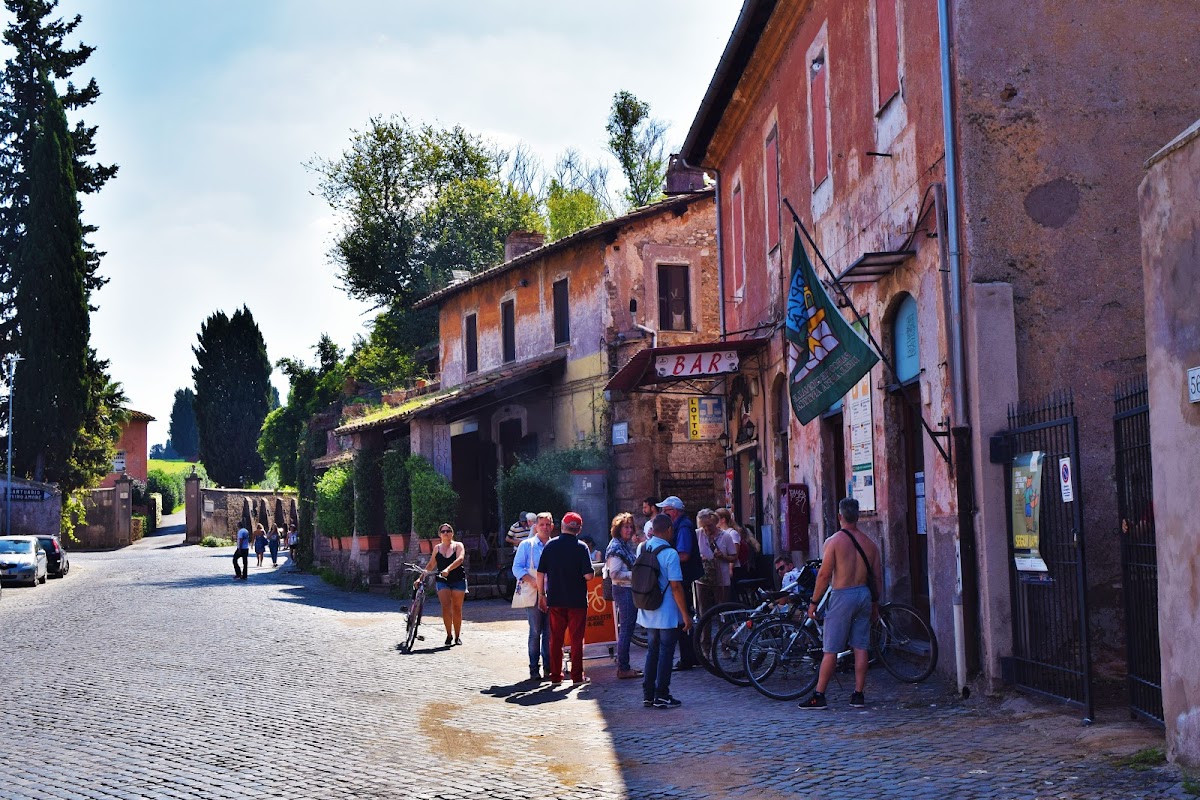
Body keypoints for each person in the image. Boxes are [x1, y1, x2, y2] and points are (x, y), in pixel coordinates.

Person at [800, 498, 883, 710]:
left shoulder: (834, 541)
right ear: (858, 516)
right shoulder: (870, 544)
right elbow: (878, 579)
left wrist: (814, 602)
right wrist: (875, 605)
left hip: (842, 594)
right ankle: (858, 694)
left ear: (840, 516)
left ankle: (819, 695)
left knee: (831, 648)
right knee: (861, 646)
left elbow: (824, 574)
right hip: (864, 594)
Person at [638, 513, 692, 709]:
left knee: (652, 650)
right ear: (669, 529)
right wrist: (685, 614)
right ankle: (662, 693)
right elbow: (676, 586)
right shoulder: (671, 554)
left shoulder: (642, 547)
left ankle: (648, 694)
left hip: (647, 606)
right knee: (666, 652)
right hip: (666, 610)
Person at [536, 511, 594, 686]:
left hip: (556, 599)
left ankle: (555, 676)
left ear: (562, 526)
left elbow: (540, 573)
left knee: (556, 639)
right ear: (579, 529)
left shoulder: (550, 546)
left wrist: (541, 595)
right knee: (577, 639)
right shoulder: (581, 547)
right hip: (576, 601)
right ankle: (577, 676)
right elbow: (589, 576)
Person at [655, 496, 701, 670]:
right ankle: (691, 655)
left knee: (683, 616)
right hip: (684, 576)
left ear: (674, 512)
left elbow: (684, 555)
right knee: (684, 614)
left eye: (665, 511)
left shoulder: (682, 527)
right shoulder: (681, 525)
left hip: (683, 576)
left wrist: (666, 561)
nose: (663, 514)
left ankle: (688, 657)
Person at [512, 512, 555, 680]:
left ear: (552, 526)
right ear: (536, 526)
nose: (544, 527)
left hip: (552, 595)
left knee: (549, 632)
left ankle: (548, 667)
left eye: (547, 524)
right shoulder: (527, 545)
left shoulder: (554, 546)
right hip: (533, 594)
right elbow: (517, 568)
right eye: (541, 524)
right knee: (536, 631)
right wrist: (533, 581)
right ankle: (533, 668)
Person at [605, 513, 641, 679]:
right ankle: (623, 668)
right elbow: (614, 573)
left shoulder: (623, 545)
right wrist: (635, 575)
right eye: (625, 527)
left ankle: (624, 666)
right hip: (623, 589)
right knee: (626, 629)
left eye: (630, 527)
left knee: (627, 628)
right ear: (618, 529)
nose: (629, 530)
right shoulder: (616, 548)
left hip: (626, 589)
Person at [425, 523, 467, 646]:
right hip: (442, 580)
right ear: (439, 534)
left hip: (458, 579)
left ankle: (457, 636)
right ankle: (449, 634)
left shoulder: (458, 545)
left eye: (448, 531)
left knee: (457, 608)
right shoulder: (437, 548)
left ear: (452, 533)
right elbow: (431, 564)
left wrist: (448, 569)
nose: (446, 533)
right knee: (446, 607)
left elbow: (460, 559)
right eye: (443, 531)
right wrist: (421, 577)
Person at [697, 508, 738, 605]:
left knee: (721, 609)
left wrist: (723, 557)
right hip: (703, 581)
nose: (706, 529)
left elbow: (734, 557)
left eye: (709, 526)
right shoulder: (697, 534)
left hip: (721, 581)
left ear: (715, 522)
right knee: (705, 613)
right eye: (703, 526)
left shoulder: (726, 536)